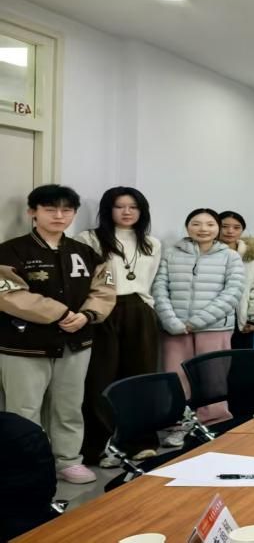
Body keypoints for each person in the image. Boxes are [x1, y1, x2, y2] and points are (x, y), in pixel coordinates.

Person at [0, 185, 115, 484]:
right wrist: (60, 313)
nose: (59, 216)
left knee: (69, 405)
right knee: (23, 409)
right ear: (33, 212)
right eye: (50, 209)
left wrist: (87, 315)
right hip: (24, 345)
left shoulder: (85, 252)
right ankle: (25, 466)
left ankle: (68, 460)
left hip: (75, 342)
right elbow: (8, 295)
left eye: (66, 210)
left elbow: (104, 290)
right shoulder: (10, 251)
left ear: (74, 214)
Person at [76, 187, 162, 468]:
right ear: (107, 209)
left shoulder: (151, 243)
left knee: (141, 377)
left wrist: (148, 307)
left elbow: (149, 279)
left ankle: (140, 442)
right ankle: (98, 447)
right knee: (99, 379)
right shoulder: (88, 239)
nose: (127, 212)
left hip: (139, 309)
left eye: (133, 207)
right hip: (103, 310)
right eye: (119, 206)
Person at [153, 208, 244, 443]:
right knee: (176, 378)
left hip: (215, 328)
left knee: (213, 379)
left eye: (210, 224)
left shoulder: (230, 256)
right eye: (196, 223)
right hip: (175, 329)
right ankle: (179, 425)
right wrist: (171, 321)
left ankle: (214, 424)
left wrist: (196, 321)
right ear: (187, 227)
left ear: (217, 228)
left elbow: (233, 292)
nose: (203, 229)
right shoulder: (171, 253)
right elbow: (159, 288)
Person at [218, 211, 254, 350]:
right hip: (212, 321)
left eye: (236, 227)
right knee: (214, 361)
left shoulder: (253, 255)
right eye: (224, 226)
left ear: (242, 230)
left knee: (240, 360)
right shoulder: (206, 253)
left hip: (241, 322)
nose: (230, 231)